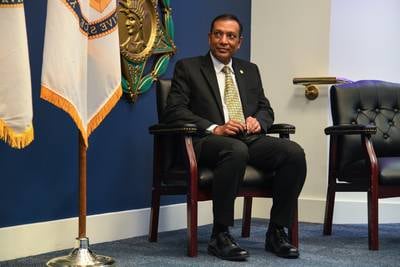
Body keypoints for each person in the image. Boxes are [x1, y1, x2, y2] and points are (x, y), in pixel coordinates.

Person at [162, 14, 306, 261]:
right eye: (218, 34)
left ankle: (276, 232)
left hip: (246, 137)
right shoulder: (188, 68)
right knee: (234, 150)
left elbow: (265, 108)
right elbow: (174, 111)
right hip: (205, 141)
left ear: (239, 42)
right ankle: (220, 234)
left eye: (230, 36)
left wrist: (258, 121)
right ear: (209, 38)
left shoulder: (249, 70)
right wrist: (214, 127)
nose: (223, 40)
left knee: (293, 153)